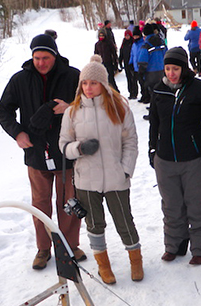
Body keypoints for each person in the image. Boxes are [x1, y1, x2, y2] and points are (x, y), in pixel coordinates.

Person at [0, 34, 86, 270]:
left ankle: (69, 246)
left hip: (66, 153)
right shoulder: (20, 80)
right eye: (37, 57)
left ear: (54, 56)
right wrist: (17, 133)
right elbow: (3, 110)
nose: (41, 62)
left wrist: (71, 108)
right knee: (39, 204)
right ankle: (43, 248)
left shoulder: (73, 76)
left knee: (68, 202)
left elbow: (93, 104)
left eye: (45, 57)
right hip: (36, 153)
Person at [59, 55, 142, 284]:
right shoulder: (72, 112)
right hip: (86, 180)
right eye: (84, 83)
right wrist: (80, 148)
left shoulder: (119, 108)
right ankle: (103, 266)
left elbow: (130, 142)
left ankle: (136, 261)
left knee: (124, 221)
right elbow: (64, 147)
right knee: (94, 224)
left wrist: (125, 170)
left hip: (116, 178)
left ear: (103, 84)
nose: (88, 88)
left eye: (93, 83)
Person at [149, 47, 201, 264]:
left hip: (194, 158)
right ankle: (175, 246)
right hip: (165, 159)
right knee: (171, 205)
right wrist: (153, 149)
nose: (171, 73)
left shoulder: (200, 88)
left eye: (176, 68)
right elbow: (154, 123)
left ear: (184, 68)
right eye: (168, 68)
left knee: (197, 204)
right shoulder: (158, 90)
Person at [137, 23, 167, 118]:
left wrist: (140, 73)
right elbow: (166, 54)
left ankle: (154, 114)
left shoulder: (146, 45)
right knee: (160, 92)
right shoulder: (161, 42)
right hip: (162, 71)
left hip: (150, 73)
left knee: (153, 93)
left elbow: (142, 61)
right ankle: (157, 109)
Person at [95, 27, 120, 92]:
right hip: (101, 64)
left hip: (109, 63)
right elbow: (96, 55)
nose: (101, 37)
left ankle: (116, 93)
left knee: (111, 80)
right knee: (103, 81)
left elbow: (114, 54)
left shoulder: (109, 43)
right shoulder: (97, 44)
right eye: (100, 35)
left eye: (102, 35)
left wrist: (115, 64)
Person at [129, 26, 148, 103]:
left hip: (142, 66)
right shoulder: (134, 45)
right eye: (134, 36)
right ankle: (143, 95)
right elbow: (132, 54)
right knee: (140, 82)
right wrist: (130, 63)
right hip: (136, 67)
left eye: (137, 36)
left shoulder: (143, 43)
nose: (135, 37)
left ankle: (147, 96)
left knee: (144, 83)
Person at [119, 29, 138, 99]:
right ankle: (130, 92)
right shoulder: (124, 43)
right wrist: (120, 61)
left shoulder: (133, 43)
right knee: (128, 78)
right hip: (126, 63)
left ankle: (135, 93)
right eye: (126, 36)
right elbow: (121, 52)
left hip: (132, 63)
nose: (127, 37)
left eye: (128, 36)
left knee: (133, 79)